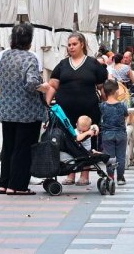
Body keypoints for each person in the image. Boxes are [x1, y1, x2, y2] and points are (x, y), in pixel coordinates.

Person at [0, 22, 50, 195]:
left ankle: (3, 184)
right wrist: (44, 87)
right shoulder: (31, 57)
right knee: (24, 147)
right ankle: (18, 186)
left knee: (9, 146)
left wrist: (0, 93)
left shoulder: (4, 55)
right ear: (29, 39)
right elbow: (32, 83)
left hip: (7, 109)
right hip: (27, 111)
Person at [48, 32, 108, 186]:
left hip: (88, 111)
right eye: (69, 45)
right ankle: (70, 172)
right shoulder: (62, 64)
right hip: (65, 112)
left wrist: (107, 102)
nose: (71, 47)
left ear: (82, 44)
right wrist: (47, 103)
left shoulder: (93, 64)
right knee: (67, 140)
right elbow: (53, 85)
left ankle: (85, 174)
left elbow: (102, 86)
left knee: (87, 141)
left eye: (74, 44)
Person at [99, 79, 129, 185]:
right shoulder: (122, 105)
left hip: (107, 135)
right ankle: (120, 178)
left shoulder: (102, 106)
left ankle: (110, 177)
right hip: (121, 134)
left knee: (110, 157)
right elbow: (126, 115)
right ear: (116, 91)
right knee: (121, 157)